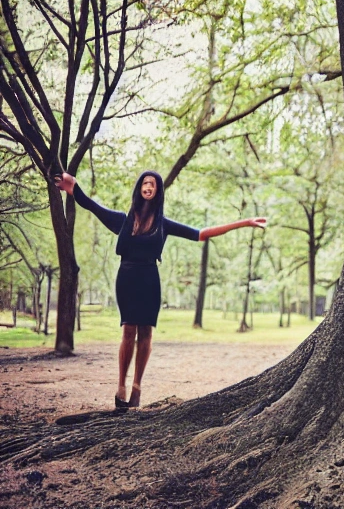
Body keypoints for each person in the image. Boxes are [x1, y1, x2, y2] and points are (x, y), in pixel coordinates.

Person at [56, 171, 266, 408]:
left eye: (152, 184)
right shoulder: (122, 220)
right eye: (145, 183)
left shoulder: (163, 225)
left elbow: (201, 234)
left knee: (146, 333)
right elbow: (92, 206)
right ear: (139, 188)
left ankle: (137, 387)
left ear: (157, 191)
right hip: (127, 277)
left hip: (149, 278)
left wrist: (244, 223)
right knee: (128, 330)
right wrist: (73, 187)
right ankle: (121, 386)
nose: (148, 186)